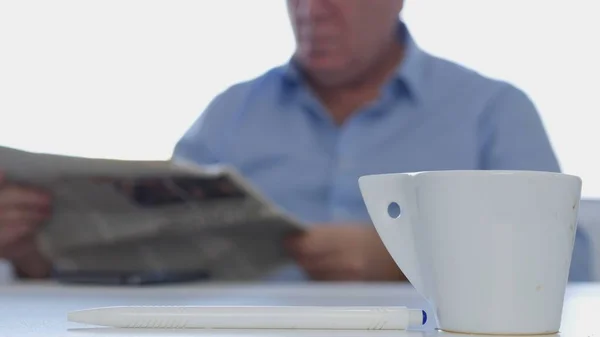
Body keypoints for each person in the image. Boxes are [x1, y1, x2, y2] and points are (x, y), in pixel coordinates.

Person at [0, 0, 591, 281]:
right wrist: (33, 254)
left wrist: (404, 258)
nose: (313, 10)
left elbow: (575, 261)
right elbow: (160, 254)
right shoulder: (230, 111)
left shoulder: (492, 109)